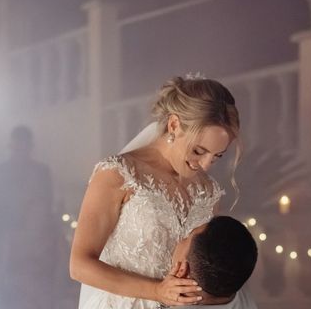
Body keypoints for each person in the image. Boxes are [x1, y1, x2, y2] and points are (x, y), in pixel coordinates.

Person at [70, 76, 241, 308]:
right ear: (173, 125)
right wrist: (156, 291)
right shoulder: (118, 174)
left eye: (217, 156)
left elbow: (204, 267)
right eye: (199, 150)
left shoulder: (208, 191)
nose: (206, 164)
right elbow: (80, 265)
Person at [0, 125, 56, 309]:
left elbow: (46, 203)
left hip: (34, 240)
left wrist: (39, 231)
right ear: (11, 146)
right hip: (3, 236)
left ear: (30, 147)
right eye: (17, 146)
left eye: (24, 146)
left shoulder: (41, 172)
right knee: (4, 287)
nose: (20, 150)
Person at [172, 216, 258, 309]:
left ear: (182, 270)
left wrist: (156, 291)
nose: (181, 239)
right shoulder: (233, 276)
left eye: (188, 236)